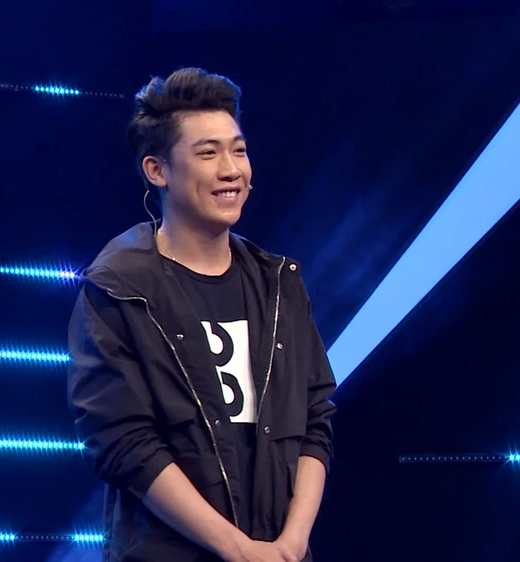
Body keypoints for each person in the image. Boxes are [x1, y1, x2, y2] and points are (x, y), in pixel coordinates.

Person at [67, 67, 337, 562]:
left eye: (239, 150)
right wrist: (237, 550)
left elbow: (315, 420)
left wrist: (291, 544)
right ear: (157, 170)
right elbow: (124, 443)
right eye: (208, 153)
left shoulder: (279, 284)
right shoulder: (118, 288)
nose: (232, 170)